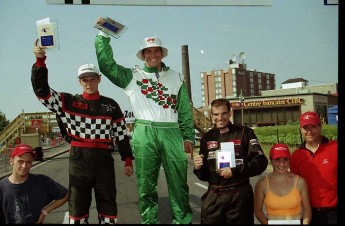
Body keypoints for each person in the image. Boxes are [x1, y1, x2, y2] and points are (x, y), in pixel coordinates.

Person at [95, 17, 195, 224]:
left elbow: (184, 110)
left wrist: (188, 137)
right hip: (144, 132)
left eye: (156, 51)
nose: (152, 55)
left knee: (179, 184)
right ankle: (149, 222)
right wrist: (103, 35)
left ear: (162, 53)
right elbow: (106, 65)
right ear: (142, 55)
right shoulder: (133, 75)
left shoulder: (176, 77)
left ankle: (182, 221)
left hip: (171, 131)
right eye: (148, 52)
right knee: (146, 186)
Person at [31, 39, 134, 224]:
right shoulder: (68, 102)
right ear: (79, 81)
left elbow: (120, 134)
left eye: (92, 79)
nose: (89, 83)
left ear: (99, 79)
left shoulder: (111, 104)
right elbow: (43, 93)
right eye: (85, 79)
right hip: (79, 158)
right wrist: (40, 61)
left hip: (104, 157)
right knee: (78, 206)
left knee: (108, 204)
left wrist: (127, 159)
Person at [193, 98, 268, 224]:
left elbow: (261, 162)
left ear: (230, 113)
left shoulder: (245, 133)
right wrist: (198, 168)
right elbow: (204, 175)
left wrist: (235, 171)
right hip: (214, 196)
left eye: (224, 113)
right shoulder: (207, 138)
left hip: (239, 197)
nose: (220, 118)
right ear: (211, 114)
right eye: (216, 114)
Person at [0, 144, 68, 224]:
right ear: (11, 161)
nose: (24, 166)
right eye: (20, 161)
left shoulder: (42, 181)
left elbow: (65, 194)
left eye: (28, 162)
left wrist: (45, 211)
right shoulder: (2, 187)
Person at [290, 111, 337, 224]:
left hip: (334, 213)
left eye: (313, 127)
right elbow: (296, 187)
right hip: (309, 214)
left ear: (320, 127)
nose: (309, 131)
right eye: (306, 127)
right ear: (301, 130)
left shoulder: (335, 148)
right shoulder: (296, 155)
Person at [254, 143, 312, 225]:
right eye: (277, 159)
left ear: (289, 160)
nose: (281, 164)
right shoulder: (262, 184)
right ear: (271, 160)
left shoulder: (300, 182)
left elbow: (307, 209)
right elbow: (257, 210)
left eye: (285, 159)